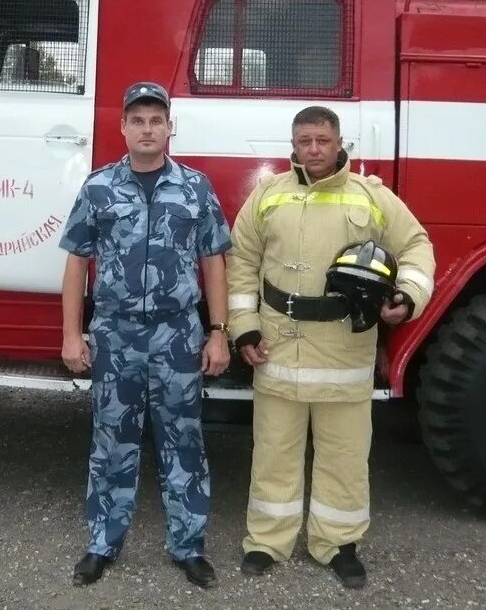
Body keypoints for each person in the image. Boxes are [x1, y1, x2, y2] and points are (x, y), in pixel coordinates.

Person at [226, 105, 435, 589]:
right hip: (276, 349)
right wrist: (245, 328)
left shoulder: (373, 197)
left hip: (345, 353)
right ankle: (266, 543)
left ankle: (338, 544)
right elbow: (240, 265)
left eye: (323, 140)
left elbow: (417, 246)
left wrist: (408, 296)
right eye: (305, 141)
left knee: (344, 456)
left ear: (339, 143)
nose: (314, 149)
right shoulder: (267, 197)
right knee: (273, 453)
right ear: (293, 145)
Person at [58, 80, 233, 589]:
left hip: (179, 333)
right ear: (123, 128)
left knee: (184, 440)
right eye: (138, 120)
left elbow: (214, 263)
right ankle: (102, 544)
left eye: (156, 120)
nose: (147, 129)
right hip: (116, 336)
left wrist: (217, 333)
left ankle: (188, 546)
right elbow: (76, 266)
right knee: (112, 441)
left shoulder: (196, 188)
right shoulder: (98, 188)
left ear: (168, 127)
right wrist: (73, 334)